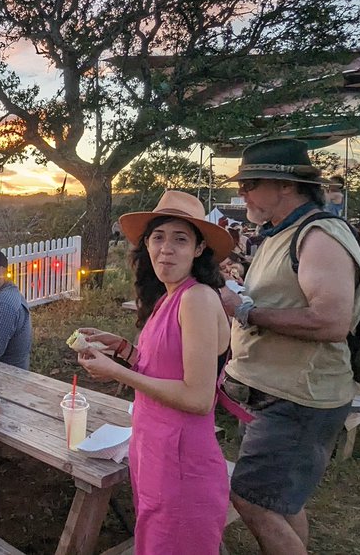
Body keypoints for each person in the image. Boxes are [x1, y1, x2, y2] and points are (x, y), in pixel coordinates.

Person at [216, 139, 360, 555]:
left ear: (285, 185)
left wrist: (246, 312)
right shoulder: (280, 234)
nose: (243, 192)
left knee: (251, 498)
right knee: (279, 502)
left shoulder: (318, 235)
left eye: (251, 183)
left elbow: (331, 321)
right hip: (272, 393)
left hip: (298, 398)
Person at [77, 190, 232, 554]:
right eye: (158, 237)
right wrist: (123, 349)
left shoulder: (196, 298)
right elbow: (166, 366)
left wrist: (118, 373)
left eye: (181, 239)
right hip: (154, 451)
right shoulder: (169, 295)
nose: (166, 248)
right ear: (146, 245)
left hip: (182, 460)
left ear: (198, 249)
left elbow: (197, 397)